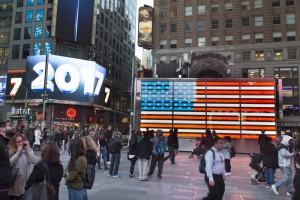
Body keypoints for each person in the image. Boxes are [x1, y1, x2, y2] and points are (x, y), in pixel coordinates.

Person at [8, 134, 39, 200]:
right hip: (13, 181)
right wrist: (18, 152)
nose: (20, 143)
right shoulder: (10, 151)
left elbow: (35, 160)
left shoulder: (26, 151)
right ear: (14, 143)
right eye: (18, 142)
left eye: (21, 141)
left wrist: (29, 149)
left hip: (24, 181)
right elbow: (9, 163)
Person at [203, 136, 226, 200]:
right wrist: (210, 178)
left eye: (223, 143)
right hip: (213, 176)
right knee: (214, 193)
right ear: (215, 144)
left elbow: (222, 164)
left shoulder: (221, 152)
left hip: (219, 176)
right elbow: (208, 166)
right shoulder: (210, 153)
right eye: (220, 143)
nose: (222, 145)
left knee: (221, 191)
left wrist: (224, 174)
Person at [0, 122, 15, 200]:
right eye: (10, 126)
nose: (12, 127)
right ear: (2, 129)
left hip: (4, 183)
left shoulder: (4, 142)